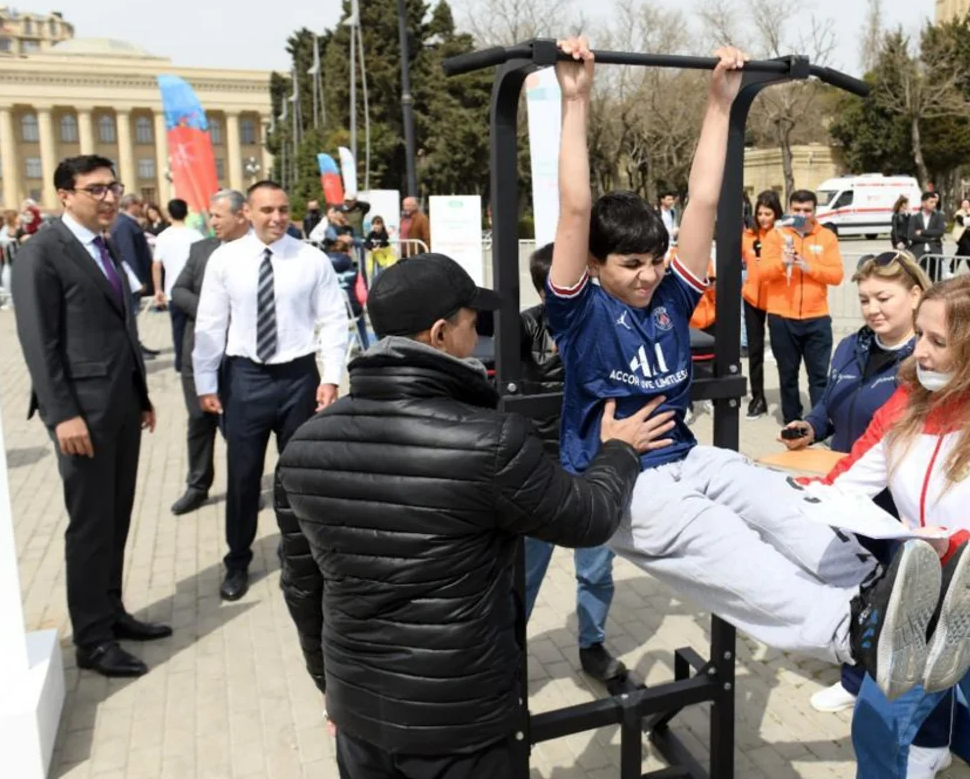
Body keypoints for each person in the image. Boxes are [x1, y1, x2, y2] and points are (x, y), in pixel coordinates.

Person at [546, 35, 970, 702]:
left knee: (781, 500)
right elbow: (575, 210)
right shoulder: (580, 309)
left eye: (654, 261)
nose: (647, 276)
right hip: (615, 482)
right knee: (726, 543)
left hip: (684, 457)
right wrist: (577, 98)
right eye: (630, 265)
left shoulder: (669, 295)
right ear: (594, 264)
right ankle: (851, 633)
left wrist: (721, 103)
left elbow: (703, 204)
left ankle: (884, 595)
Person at [273, 252, 672, 778]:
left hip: (360, 715)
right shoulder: (489, 441)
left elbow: (301, 588)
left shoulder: (304, 446)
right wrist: (619, 450)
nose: (479, 333)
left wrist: (332, 688)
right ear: (440, 334)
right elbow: (588, 519)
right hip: (463, 724)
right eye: (471, 321)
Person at [812, 275, 970, 779]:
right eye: (920, 334)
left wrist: (949, 550)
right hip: (915, 617)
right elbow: (846, 480)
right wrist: (793, 496)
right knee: (875, 728)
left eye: (937, 341)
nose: (918, 350)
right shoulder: (907, 403)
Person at [778, 251, 956, 778]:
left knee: (917, 618)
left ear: (916, 296)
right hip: (852, 500)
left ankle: (932, 738)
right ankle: (858, 680)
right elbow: (830, 405)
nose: (872, 309)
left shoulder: (927, 367)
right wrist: (812, 428)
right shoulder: (850, 347)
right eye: (864, 299)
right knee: (863, 602)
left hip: (899, 511)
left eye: (883, 298)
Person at [11, 154, 166, 678]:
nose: (109, 197)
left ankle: (112, 611)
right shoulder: (41, 253)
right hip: (81, 416)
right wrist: (62, 415)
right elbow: (40, 343)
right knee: (90, 525)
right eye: (95, 189)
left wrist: (140, 394)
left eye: (113, 187)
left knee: (116, 516)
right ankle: (93, 640)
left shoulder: (106, 245)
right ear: (65, 196)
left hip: (120, 405)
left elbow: (122, 329)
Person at [193, 180, 349, 601]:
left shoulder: (310, 259)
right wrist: (205, 382)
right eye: (267, 210)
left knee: (296, 475)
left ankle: (296, 555)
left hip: (299, 378)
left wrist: (331, 377)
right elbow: (210, 324)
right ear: (248, 212)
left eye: (282, 209)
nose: (277, 218)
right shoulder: (225, 259)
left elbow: (333, 320)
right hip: (245, 379)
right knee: (243, 476)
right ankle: (237, 561)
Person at [519, 242, 627, 682]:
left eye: (580, 283)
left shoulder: (606, 322)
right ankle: (506, 651)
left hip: (592, 466)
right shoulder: (525, 327)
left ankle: (592, 645)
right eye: (562, 285)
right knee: (524, 570)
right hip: (540, 468)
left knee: (596, 568)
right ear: (544, 291)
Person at [167, 189, 250, 516]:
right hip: (199, 352)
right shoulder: (200, 250)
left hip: (240, 358)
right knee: (199, 421)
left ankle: (244, 487)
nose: (211, 221)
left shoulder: (258, 252)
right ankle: (197, 486)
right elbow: (178, 291)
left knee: (238, 428)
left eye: (217, 216)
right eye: (211, 215)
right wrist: (211, 309)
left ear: (240, 215)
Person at [755, 190, 844, 424]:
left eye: (807, 210)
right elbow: (762, 273)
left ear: (815, 211)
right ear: (789, 209)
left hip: (817, 317)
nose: (802, 214)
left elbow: (836, 275)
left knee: (819, 376)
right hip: (782, 317)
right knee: (787, 375)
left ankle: (820, 421)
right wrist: (781, 263)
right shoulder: (776, 235)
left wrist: (809, 267)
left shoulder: (826, 237)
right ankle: (791, 420)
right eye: (797, 210)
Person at [151, 199, 204, 372]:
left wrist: (158, 290)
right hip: (195, 291)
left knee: (178, 329)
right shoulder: (196, 235)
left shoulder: (163, 236)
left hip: (172, 291)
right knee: (197, 328)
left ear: (169, 214)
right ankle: (196, 361)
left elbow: (156, 265)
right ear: (186, 213)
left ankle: (180, 363)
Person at [741, 191, 777, 418]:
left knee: (782, 352)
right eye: (760, 213)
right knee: (754, 351)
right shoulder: (748, 236)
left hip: (777, 301)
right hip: (752, 299)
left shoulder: (781, 235)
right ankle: (758, 398)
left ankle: (790, 401)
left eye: (768, 213)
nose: (763, 218)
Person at [110, 192, 159, 357]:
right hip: (132, 279)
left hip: (134, 276)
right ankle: (133, 348)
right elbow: (128, 253)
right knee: (131, 314)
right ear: (131, 205)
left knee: (134, 315)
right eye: (140, 205)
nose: (143, 208)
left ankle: (137, 345)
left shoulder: (127, 222)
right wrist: (137, 281)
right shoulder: (124, 224)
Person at [908, 191, 946, 281]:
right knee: (920, 280)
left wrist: (922, 232)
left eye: (935, 202)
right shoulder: (914, 218)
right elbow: (911, 235)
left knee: (935, 280)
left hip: (935, 252)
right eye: (931, 202)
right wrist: (930, 239)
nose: (934, 205)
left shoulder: (939, 216)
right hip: (919, 253)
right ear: (923, 203)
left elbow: (940, 232)